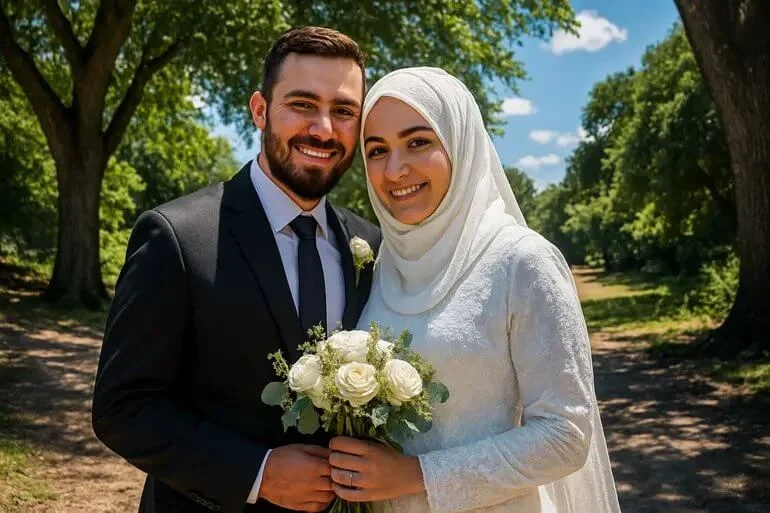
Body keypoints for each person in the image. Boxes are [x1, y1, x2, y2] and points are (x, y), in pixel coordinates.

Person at [91, 27, 381, 513]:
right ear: (260, 110)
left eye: (344, 111)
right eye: (303, 104)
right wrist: (257, 473)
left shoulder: (370, 245)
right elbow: (122, 409)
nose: (324, 129)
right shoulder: (177, 237)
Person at [326, 68, 621, 513]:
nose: (394, 168)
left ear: (460, 143)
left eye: (418, 142)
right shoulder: (381, 264)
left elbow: (567, 435)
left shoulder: (522, 261)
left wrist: (416, 476)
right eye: (377, 150)